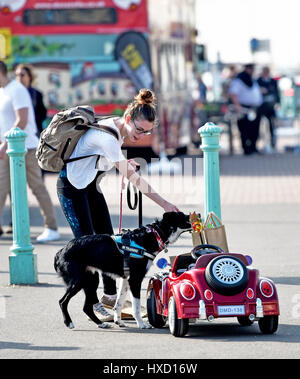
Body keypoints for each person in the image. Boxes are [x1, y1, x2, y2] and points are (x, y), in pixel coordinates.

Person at [56, 88, 180, 321]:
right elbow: (135, 179)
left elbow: (97, 157)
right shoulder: (109, 136)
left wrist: (122, 163)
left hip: (89, 187)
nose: (141, 136)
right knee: (88, 250)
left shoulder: (117, 128)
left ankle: (111, 300)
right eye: (139, 130)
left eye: (147, 132)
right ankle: (93, 305)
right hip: (71, 189)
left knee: (110, 242)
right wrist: (165, 203)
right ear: (127, 119)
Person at [0, 60, 60, 242]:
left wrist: (4, 145)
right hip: (7, 147)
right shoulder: (3, 92)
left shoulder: (16, 89)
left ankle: (52, 227)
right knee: (1, 187)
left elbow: (22, 120)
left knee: (36, 186)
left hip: (25, 147)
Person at [229, 63, 263, 155]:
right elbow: (233, 94)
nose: (252, 71)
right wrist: (238, 106)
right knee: (244, 129)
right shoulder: (239, 80)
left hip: (254, 108)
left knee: (254, 129)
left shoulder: (252, 79)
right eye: (251, 69)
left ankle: (253, 147)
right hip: (244, 108)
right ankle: (246, 149)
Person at [15, 64, 47, 137]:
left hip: (33, 133)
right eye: (17, 75)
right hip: (17, 132)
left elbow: (43, 113)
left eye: (22, 75)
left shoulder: (37, 94)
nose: (19, 77)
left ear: (29, 77)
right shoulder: (13, 93)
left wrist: (31, 118)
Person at [257, 66, 280, 152]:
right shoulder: (258, 81)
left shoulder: (273, 81)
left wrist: (277, 103)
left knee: (272, 125)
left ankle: (272, 143)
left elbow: (276, 93)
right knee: (261, 125)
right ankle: (262, 143)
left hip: (271, 107)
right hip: (261, 107)